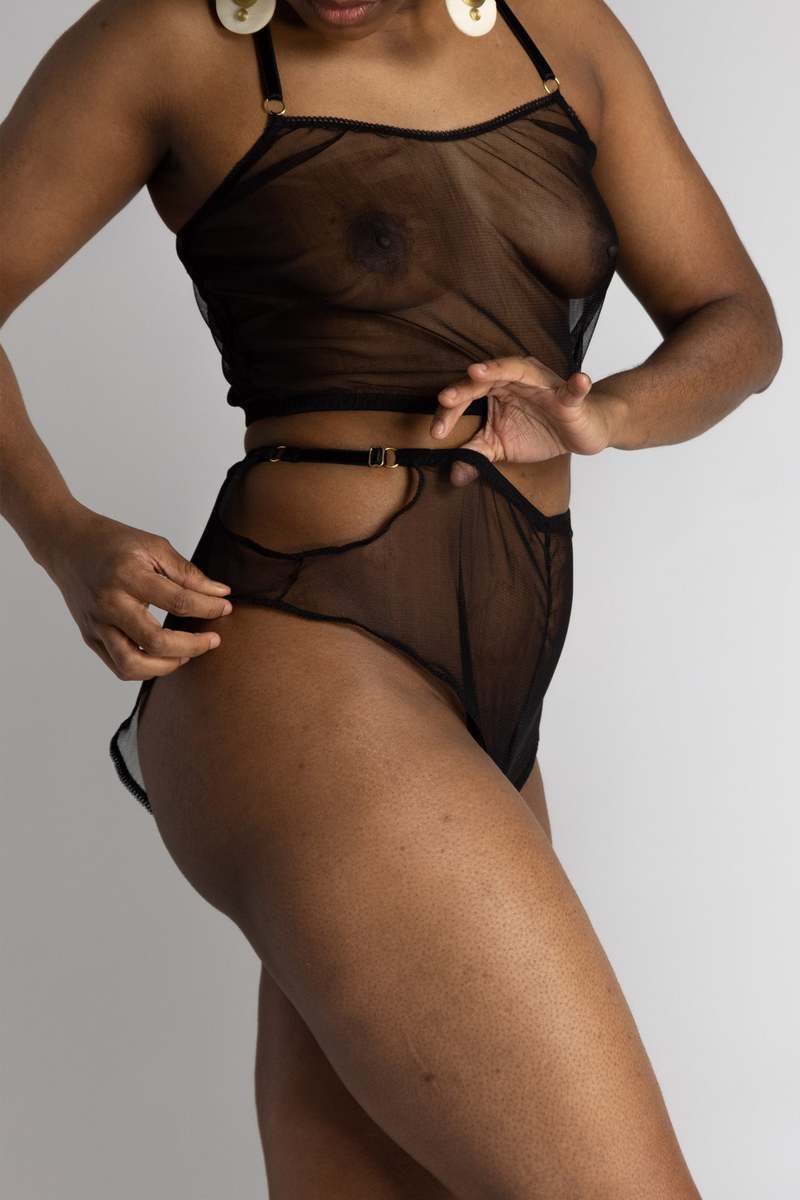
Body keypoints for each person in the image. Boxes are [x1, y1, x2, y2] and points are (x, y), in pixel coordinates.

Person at [0, 0, 782, 1194]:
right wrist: (61, 534)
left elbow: (735, 321)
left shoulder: (559, 31)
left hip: (489, 707)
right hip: (302, 671)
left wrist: (607, 412)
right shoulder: (165, 41)